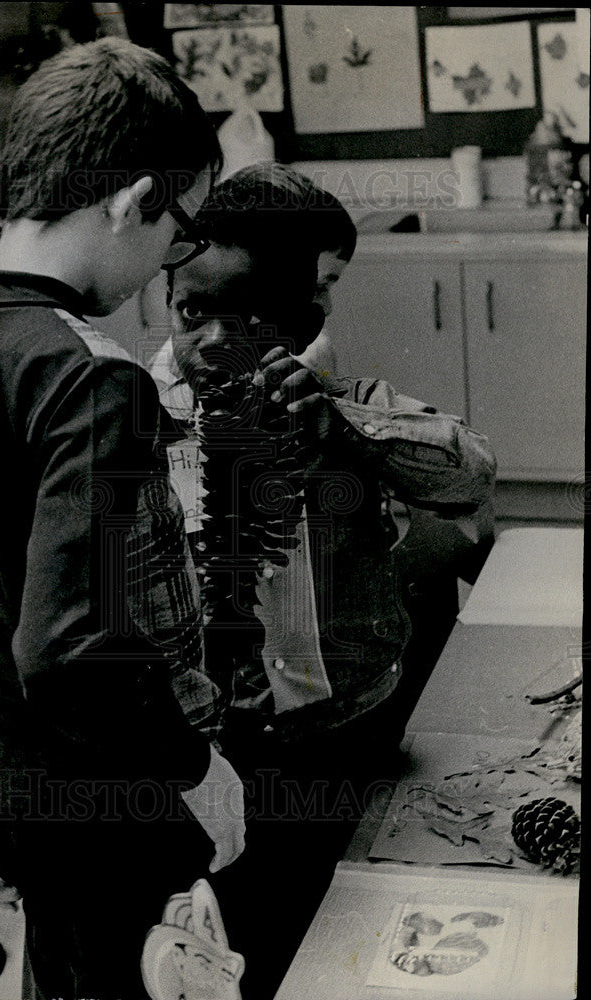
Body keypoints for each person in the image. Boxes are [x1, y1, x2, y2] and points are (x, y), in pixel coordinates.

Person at [0, 39, 245, 1000]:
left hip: (10, 770)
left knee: (62, 977)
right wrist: (193, 769)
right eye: (175, 233)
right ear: (134, 202)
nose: (163, 266)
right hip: (112, 789)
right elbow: (68, 646)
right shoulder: (95, 380)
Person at [151, 162, 496, 997]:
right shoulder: (135, 418)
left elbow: (470, 473)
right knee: (244, 942)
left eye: (248, 316)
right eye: (192, 309)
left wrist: (341, 424)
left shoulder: (339, 403)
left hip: (350, 728)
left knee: (353, 938)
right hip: (216, 755)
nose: (211, 337)